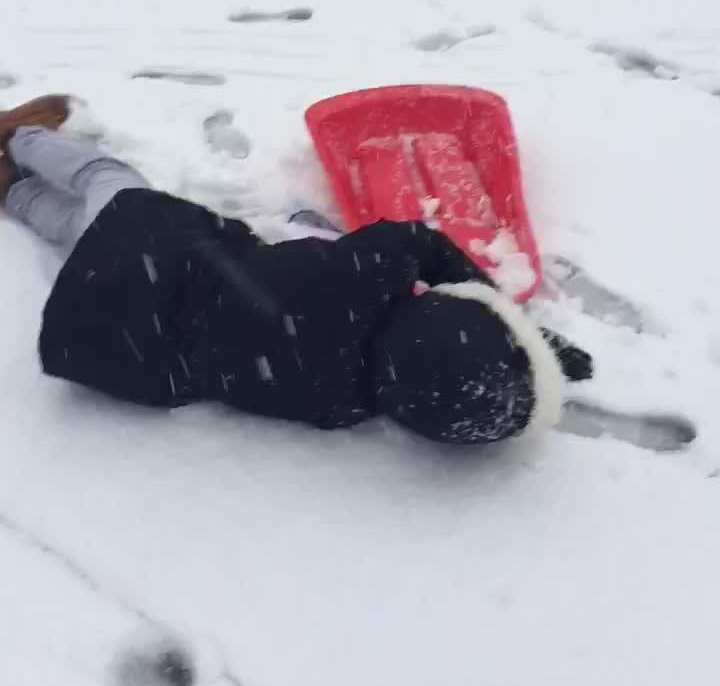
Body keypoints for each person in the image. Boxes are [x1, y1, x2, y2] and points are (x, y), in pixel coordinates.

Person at [0, 96, 592, 445]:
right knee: (73, 230)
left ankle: (21, 137)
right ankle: (15, 196)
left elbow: (419, 240)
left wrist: (508, 315)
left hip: (160, 262)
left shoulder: (364, 277)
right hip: (119, 338)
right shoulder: (340, 402)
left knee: (105, 180)